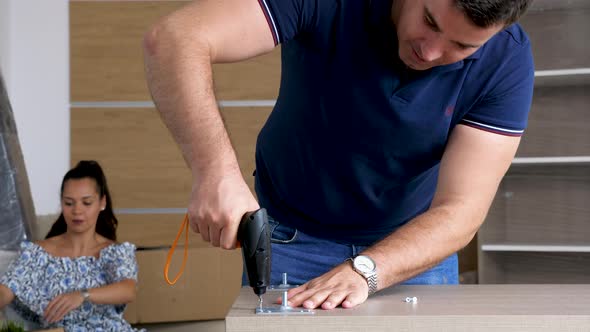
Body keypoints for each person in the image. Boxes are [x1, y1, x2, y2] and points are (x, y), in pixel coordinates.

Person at [143, 0, 534, 310]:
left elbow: (462, 211)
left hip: (411, 252)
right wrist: (217, 174)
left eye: (462, 46)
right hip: (291, 238)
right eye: (430, 21)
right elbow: (175, 39)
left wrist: (366, 270)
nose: (430, 52)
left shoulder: (507, 60)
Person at [0, 160, 143, 331]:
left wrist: (83, 295)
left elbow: (128, 290)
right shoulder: (38, 253)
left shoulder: (114, 252)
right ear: (62, 204)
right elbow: (5, 292)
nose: (77, 210)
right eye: (69, 203)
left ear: (102, 203)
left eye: (87, 202)